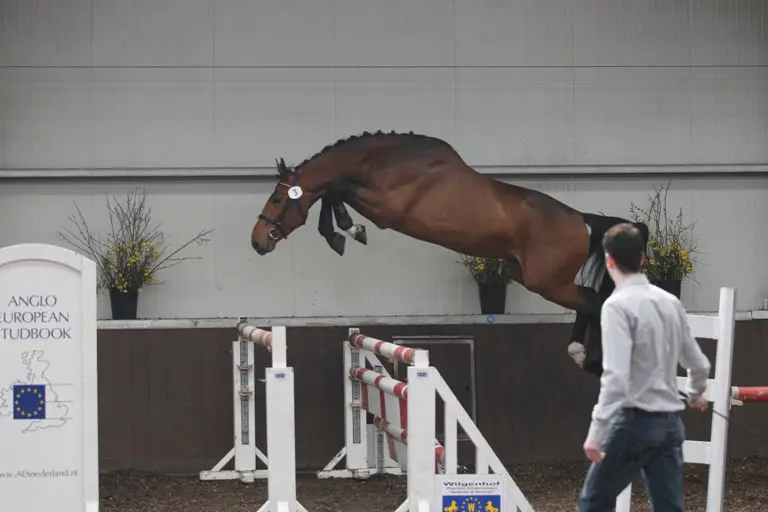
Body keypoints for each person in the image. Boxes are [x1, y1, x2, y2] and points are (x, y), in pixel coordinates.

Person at [575, 223, 712, 512]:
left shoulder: (616, 306)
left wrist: (596, 432)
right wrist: (696, 392)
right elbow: (698, 363)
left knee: (593, 504)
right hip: (671, 425)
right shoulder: (670, 302)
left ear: (608, 261)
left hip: (634, 423)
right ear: (642, 260)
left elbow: (616, 378)